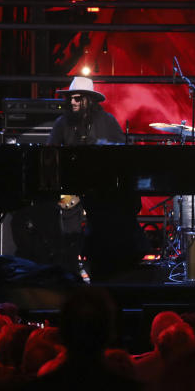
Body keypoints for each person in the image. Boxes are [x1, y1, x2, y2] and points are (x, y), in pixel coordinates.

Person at [47, 76, 148, 278]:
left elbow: (123, 155)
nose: (72, 102)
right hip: (71, 187)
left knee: (104, 228)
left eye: (77, 98)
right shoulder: (62, 124)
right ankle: (71, 272)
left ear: (88, 100)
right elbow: (50, 155)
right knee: (70, 234)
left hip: (101, 192)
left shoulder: (107, 121)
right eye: (70, 99)